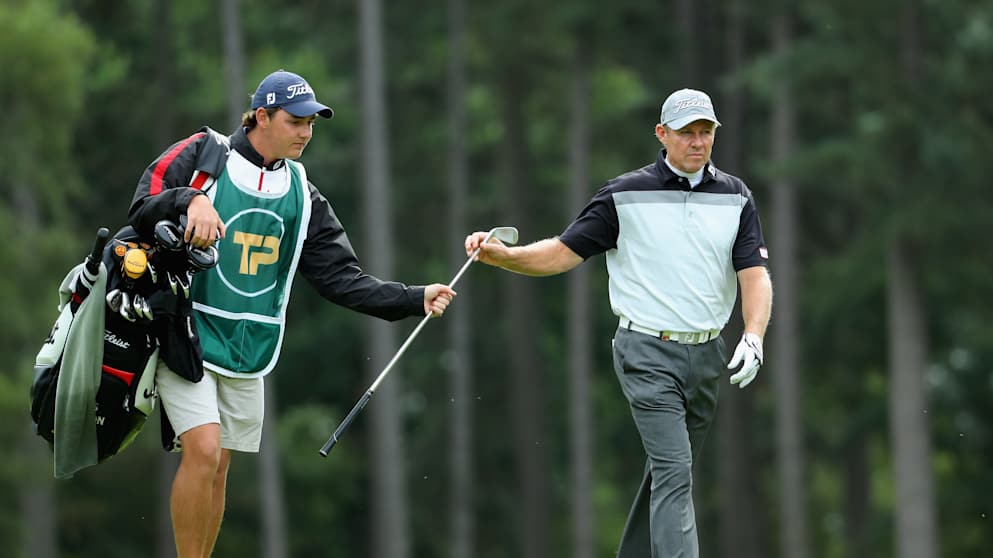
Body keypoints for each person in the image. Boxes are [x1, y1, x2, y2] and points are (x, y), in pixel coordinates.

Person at [127, 69, 456, 558]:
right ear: (262, 116)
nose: (305, 132)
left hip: (249, 347)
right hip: (185, 329)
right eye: (295, 120)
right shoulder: (203, 153)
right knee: (203, 450)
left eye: (312, 123)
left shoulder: (303, 195)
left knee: (219, 468)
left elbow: (341, 278)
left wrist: (412, 297)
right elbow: (143, 204)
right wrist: (191, 198)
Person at [464, 88, 772, 558]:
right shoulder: (624, 194)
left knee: (668, 472)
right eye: (686, 132)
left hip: (708, 355)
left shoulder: (735, 196)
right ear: (661, 134)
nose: (697, 141)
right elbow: (562, 253)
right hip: (646, 350)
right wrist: (505, 257)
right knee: (675, 471)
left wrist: (753, 334)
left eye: (705, 132)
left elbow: (754, 273)